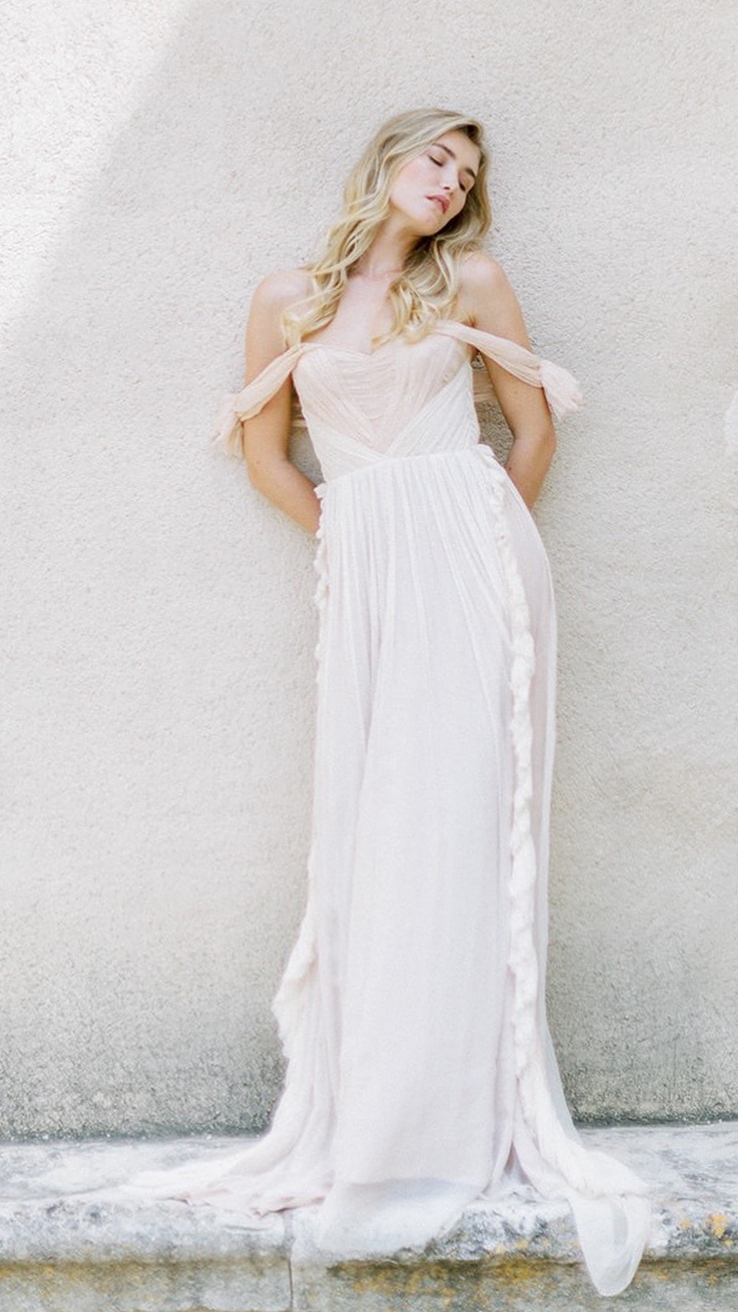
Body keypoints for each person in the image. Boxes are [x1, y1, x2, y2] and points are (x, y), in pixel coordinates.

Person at [137, 109, 650, 1297]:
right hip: (361, 565)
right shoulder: (287, 298)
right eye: (436, 158)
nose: (450, 181)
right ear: (385, 162)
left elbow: (528, 429)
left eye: (465, 174)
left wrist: (475, 531)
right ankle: (378, 1108)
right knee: (379, 824)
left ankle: (457, 1113)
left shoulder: (466, 277)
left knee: (462, 813)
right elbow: (268, 455)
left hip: (475, 558)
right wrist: (355, 539)